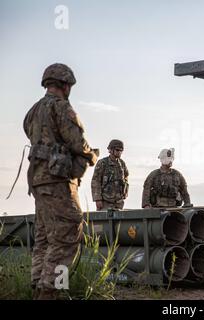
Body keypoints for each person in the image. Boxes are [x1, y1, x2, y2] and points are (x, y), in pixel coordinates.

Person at [24, 63, 98, 299]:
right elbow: (77, 141)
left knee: (45, 238)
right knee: (67, 235)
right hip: (57, 181)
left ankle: (38, 287)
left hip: (38, 180)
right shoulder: (61, 107)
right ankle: (52, 291)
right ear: (66, 85)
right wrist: (90, 155)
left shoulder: (34, 110)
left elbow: (29, 131)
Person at [91, 139, 129, 210]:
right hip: (105, 201)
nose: (119, 152)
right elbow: (96, 181)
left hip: (119, 202)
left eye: (121, 151)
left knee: (120, 221)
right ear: (111, 150)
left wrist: (125, 193)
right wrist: (98, 199)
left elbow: (126, 177)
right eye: (117, 150)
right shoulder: (102, 163)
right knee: (104, 220)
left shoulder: (122, 164)